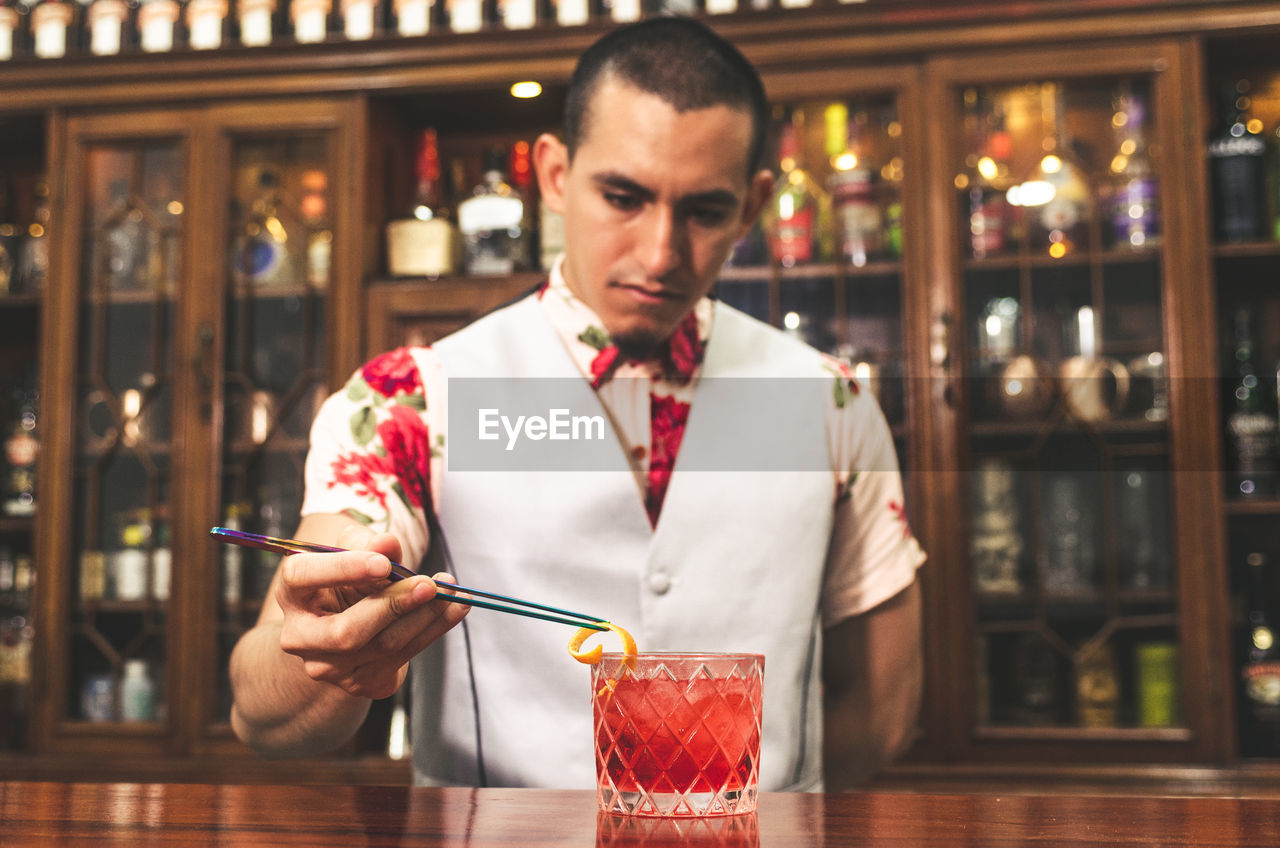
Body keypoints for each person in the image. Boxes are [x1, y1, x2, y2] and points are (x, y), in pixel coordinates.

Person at [229, 15, 925, 792]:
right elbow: (264, 715)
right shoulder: (412, 399)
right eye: (623, 196)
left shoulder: (829, 404)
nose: (661, 254)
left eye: (704, 211)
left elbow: (882, 708)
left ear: (755, 203)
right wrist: (324, 651)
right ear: (555, 175)